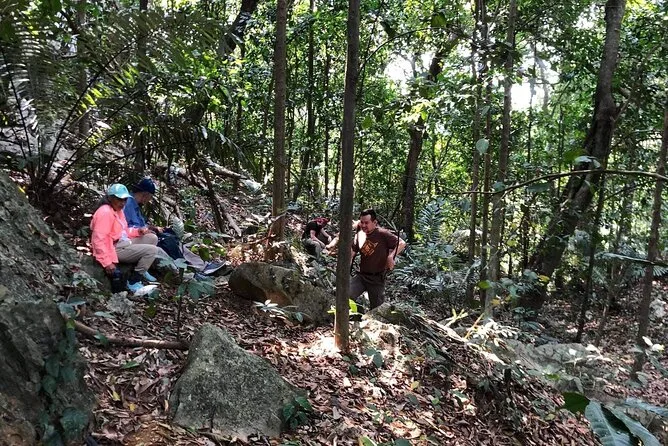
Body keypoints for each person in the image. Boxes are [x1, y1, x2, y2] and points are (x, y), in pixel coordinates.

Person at [90, 184, 158, 293]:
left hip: (122, 242)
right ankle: (133, 281)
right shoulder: (105, 212)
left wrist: (138, 232)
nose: (122, 203)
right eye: (119, 199)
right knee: (152, 250)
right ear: (111, 198)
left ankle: (142, 267)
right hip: (112, 248)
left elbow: (123, 231)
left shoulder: (118, 210)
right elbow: (98, 240)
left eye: (125, 200)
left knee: (152, 238)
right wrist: (107, 262)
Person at [349, 209, 406, 310]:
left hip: (377, 279)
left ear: (374, 222)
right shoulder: (360, 235)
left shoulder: (382, 234)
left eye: (366, 223)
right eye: (362, 222)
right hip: (362, 276)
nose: (363, 225)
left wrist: (391, 256)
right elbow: (352, 252)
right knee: (346, 295)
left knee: (377, 310)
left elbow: (401, 243)